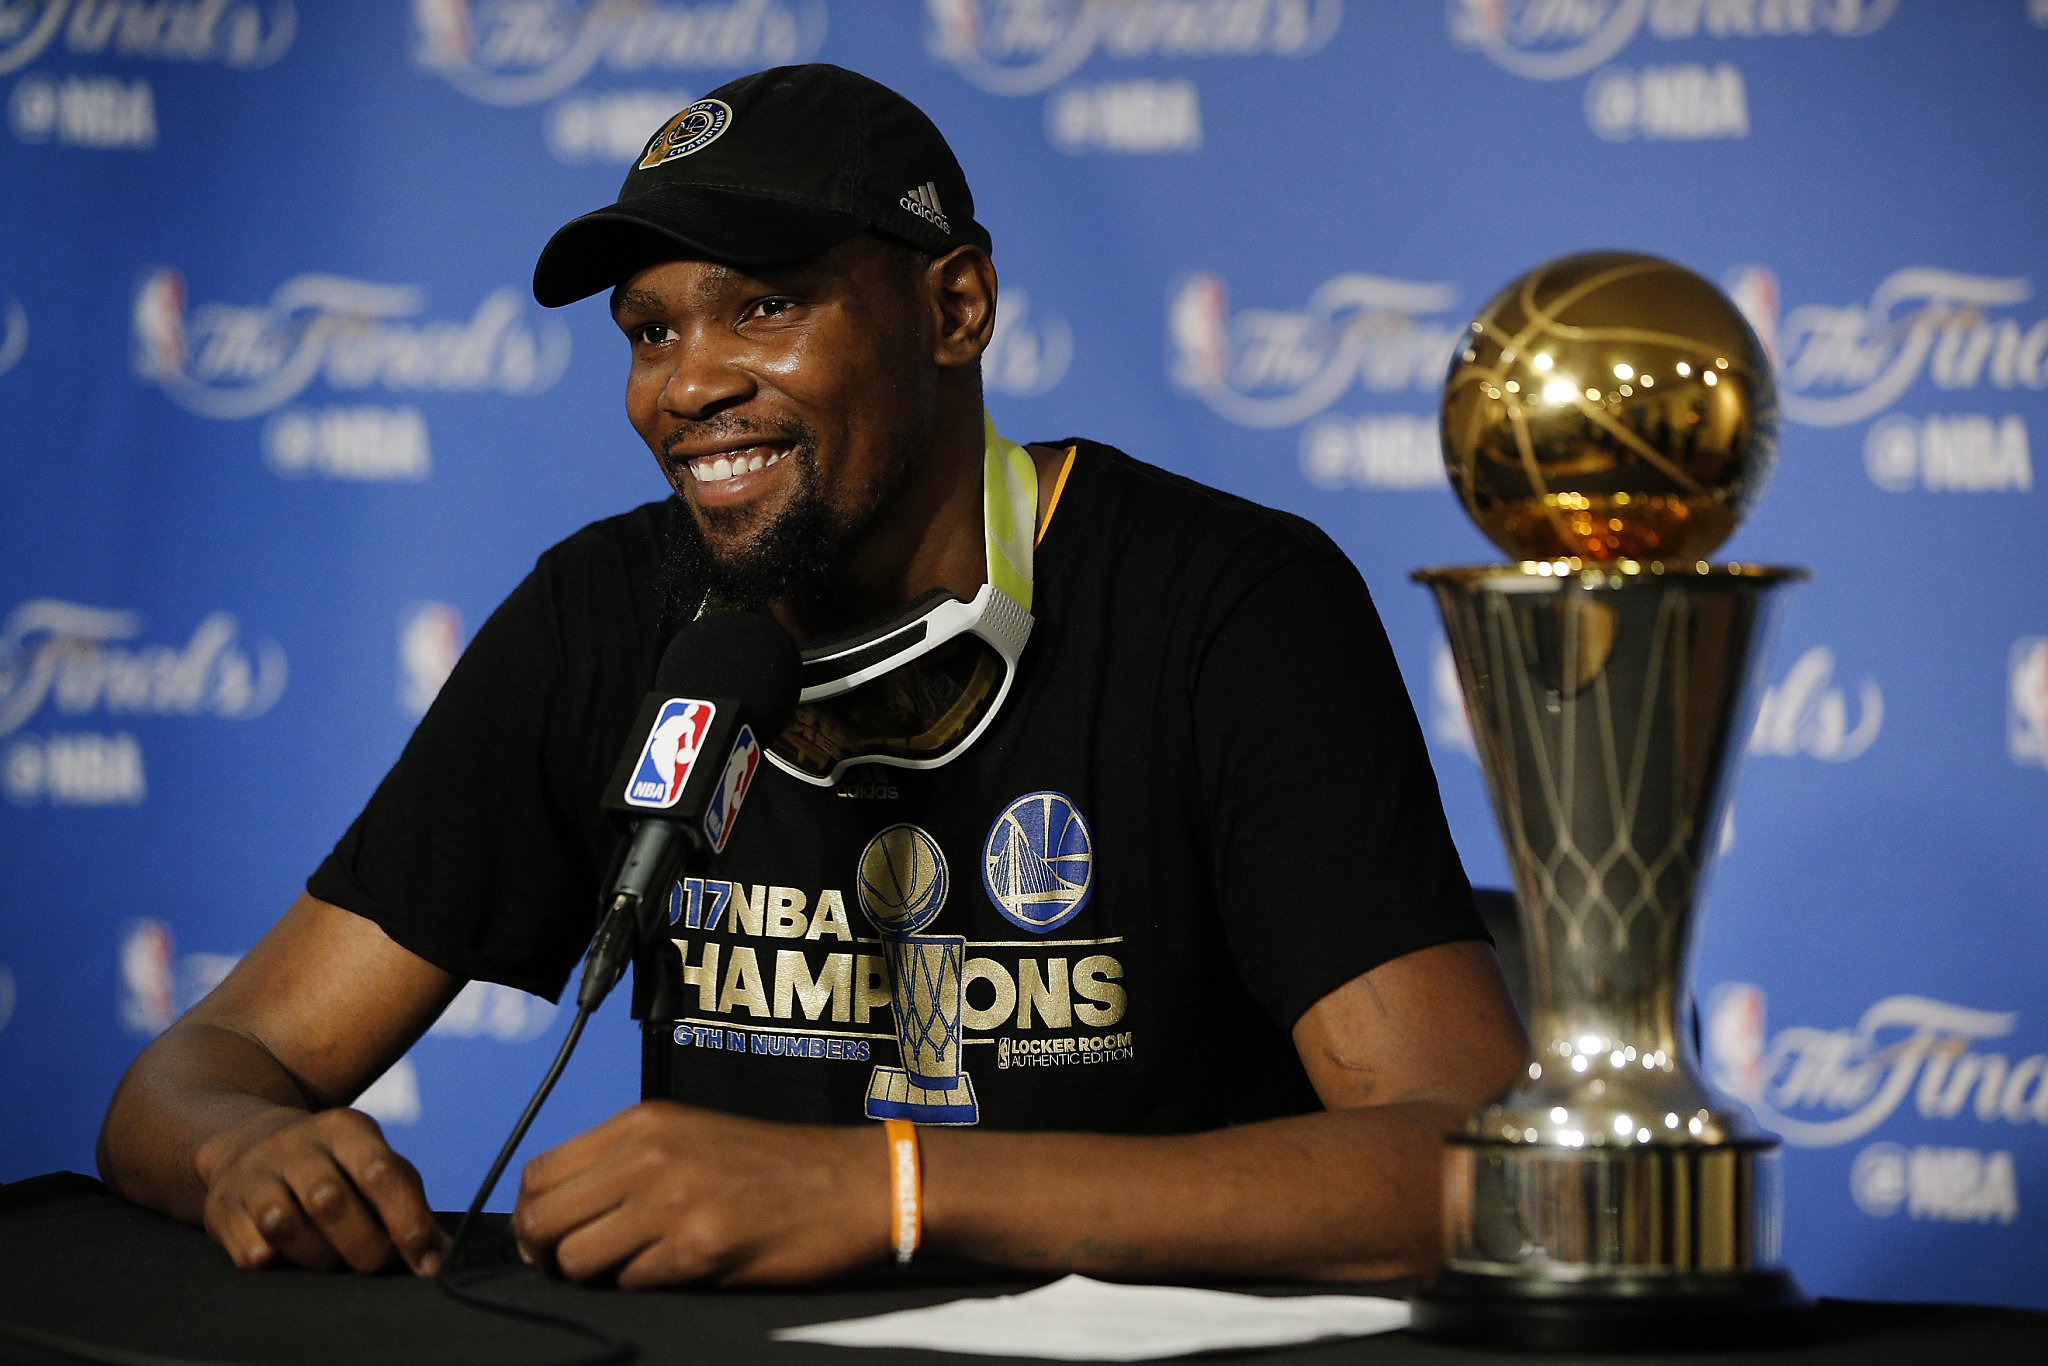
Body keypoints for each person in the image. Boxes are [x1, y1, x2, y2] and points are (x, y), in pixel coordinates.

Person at [96, 64, 1525, 1289]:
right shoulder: (605, 611)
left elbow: (1459, 1158)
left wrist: (885, 1192)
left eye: (763, 307)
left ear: (956, 308)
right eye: (651, 329)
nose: (688, 383)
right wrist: (249, 1147)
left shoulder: (1228, 601)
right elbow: (202, 1066)